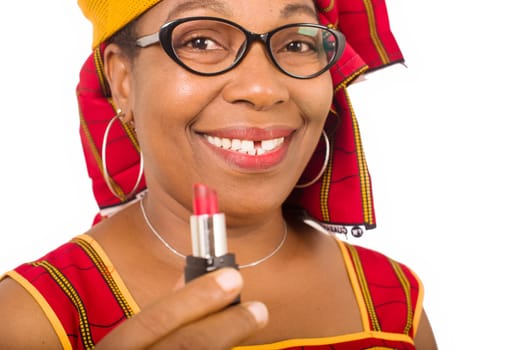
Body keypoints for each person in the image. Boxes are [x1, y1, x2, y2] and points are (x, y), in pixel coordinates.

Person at [0, 0, 438, 349]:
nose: (263, 90)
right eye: (202, 41)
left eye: (296, 44)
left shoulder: (395, 302)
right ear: (121, 79)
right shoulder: (30, 318)